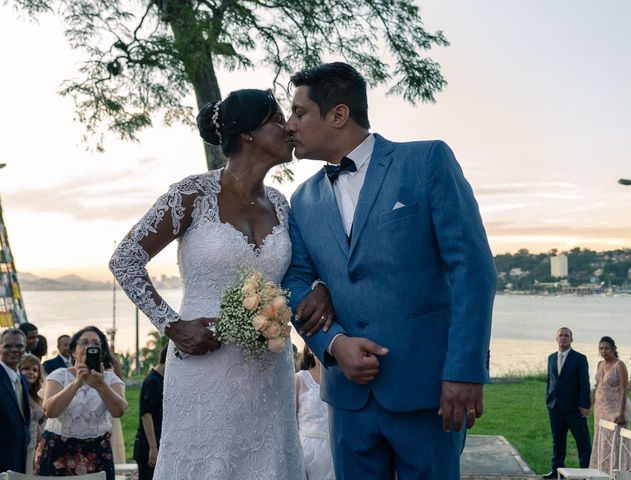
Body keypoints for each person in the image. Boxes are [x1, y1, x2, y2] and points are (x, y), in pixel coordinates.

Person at [282, 62, 497, 479]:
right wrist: (334, 343)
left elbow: (473, 269)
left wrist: (464, 371)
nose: (289, 125)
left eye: (299, 112)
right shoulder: (301, 200)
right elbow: (294, 282)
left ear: (338, 115)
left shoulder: (426, 161)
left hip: (430, 392)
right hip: (346, 400)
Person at [109, 88, 330, 479]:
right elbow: (125, 260)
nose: (288, 128)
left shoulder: (281, 204)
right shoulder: (192, 195)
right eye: (277, 120)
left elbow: (302, 273)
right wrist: (172, 325)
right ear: (247, 134)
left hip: (269, 371)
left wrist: (320, 288)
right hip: (203, 364)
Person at [35, 326, 127, 480]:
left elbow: (119, 411)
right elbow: (50, 411)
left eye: (95, 344)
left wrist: (100, 385)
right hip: (57, 449)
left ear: (102, 351)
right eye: (84, 342)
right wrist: (77, 382)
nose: (89, 346)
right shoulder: (59, 375)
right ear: (73, 351)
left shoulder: (111, 380)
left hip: (97, 450)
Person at [543, 327, 591, 479]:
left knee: (583, 442)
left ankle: (586, 473)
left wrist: (584, 405)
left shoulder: (579, 358)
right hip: (555, 408)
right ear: (556, 338)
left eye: (566, 336)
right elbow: (549, 380)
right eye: (560, 335)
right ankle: (556, 471)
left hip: (574, 409)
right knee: (558, 441)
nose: (563, 338)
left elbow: (585, 383)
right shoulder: (551, 358)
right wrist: (548, 397)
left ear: (571, 339)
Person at [589, 336, 631, 472]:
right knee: (601, 441)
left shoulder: (619, 365)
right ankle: (600, 472)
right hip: (600, 411)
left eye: (607, 348)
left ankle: (617, 473)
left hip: (615, 410)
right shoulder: (599, 364)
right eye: (601, 348)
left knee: (615, 443)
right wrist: (589, 404)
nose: (604, 351)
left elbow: (624, 390)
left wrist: (621, 413)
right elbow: (597, 386)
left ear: (613, 349)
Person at [296, 346, 335, 480]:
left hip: (337, 451)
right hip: (308, 454)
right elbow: (289, 423)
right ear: (309, 350)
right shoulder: (299, 379)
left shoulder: (342, 381)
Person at [134, 345, 168, 480]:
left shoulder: (160, 380)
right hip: (147, 446)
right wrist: (153, 448)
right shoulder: (153, 381)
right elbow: (146, 415)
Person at [0, 328, 31, 473]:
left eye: (19, 346)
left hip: (18, 457)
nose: (14, 350)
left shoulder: (22, 380)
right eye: (8, 346)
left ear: (25, 348)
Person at [18, 354, 47, 474]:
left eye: (35, 370)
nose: (31, 372)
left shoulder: (39, 396)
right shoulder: (16, 391)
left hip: (35, 445)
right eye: (26, 369)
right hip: (20, 444)